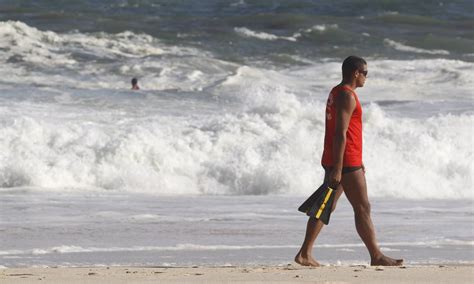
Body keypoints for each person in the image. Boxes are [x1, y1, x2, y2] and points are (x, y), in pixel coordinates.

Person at [294, 56, 403, 267]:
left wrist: (346, 161)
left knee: (327, 204)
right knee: (362, 207)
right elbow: (340, 133)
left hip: (343, 159)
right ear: (356, 73)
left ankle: (305, 253)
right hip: (345, 161)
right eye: (365, 73)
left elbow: (344, 132)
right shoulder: (347, 95)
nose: (366, 77)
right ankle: (376, 256)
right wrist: (338, 167)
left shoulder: (336, 92)